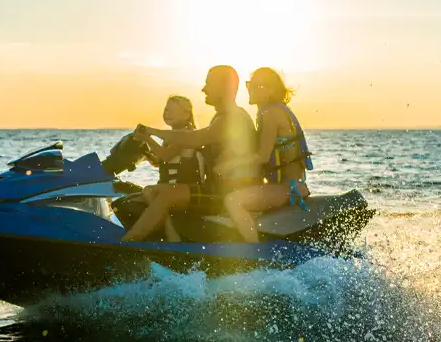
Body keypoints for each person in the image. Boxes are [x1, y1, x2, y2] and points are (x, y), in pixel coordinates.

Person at [120, 65, 258, 241]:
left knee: (167, 196)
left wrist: (151, 132)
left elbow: (195, 139)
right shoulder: (220, 117)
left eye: (208, 83)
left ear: (225, 86)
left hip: (229, 191)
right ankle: (174, 241)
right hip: (216, 187)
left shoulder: (233, 118)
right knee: (151, 192)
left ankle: (129, 242)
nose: (203, 89)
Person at [214, 67, 313, 243]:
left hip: (288, 188)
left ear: (271, 90)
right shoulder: (274, 110)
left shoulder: (270, 113)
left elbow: (262, 157)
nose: (250, 89)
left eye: (256, 86)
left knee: (233, 201)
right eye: (249, 84)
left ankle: (255, 254)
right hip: (290, 186)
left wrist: (230, 165)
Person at [134, 95, 206, 242]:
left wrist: (147, 138)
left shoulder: (187, 134)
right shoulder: (171, 136)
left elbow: (166, 156)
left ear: (186, 115)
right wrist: (145, 151)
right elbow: (160, 161)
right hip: (170, 187)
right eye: (166, 110)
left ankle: (171, 234)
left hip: (184, 189)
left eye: (173, 111)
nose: (168, 114)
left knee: (149, 191)